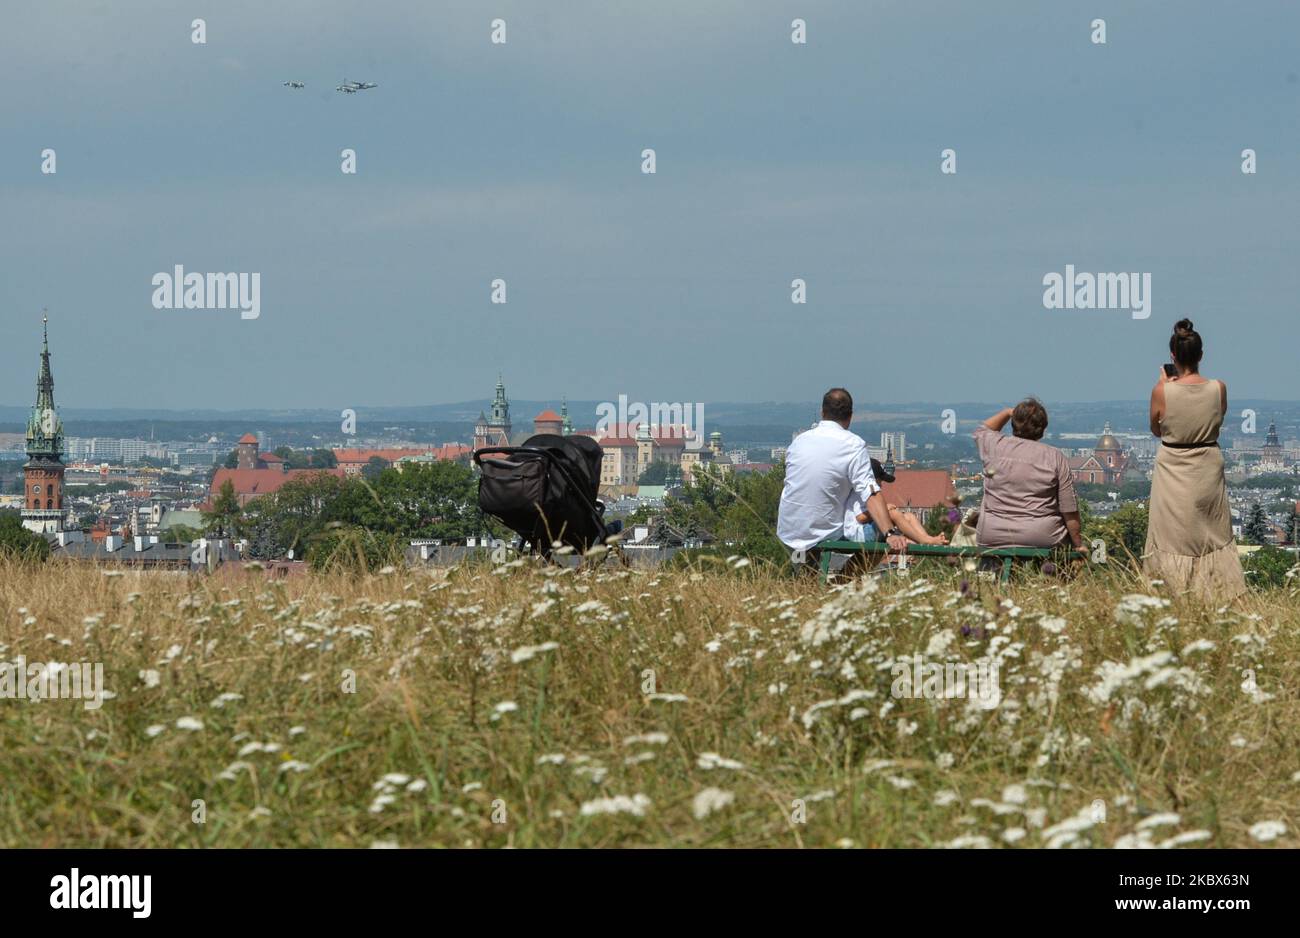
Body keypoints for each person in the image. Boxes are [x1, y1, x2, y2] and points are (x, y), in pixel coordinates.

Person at [777, 388, 946, 560]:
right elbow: (870, 493)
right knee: (878, 541)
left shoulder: (799, 442)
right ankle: (844, 582)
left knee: (809, 576)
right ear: (850, 416)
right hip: (823, 535)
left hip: (788, 533)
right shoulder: (852, 445)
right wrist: (889, 533)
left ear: (822, 412)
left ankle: (828, 582)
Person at [1144, 319, 1245, 600]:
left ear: (1173, 356)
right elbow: (1218, 416)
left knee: (1170, 535)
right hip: (1207, 464)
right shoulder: (1218, 388)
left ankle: (1169, 592)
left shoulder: (1161, 391)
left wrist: (1165, 386)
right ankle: (1220, 592)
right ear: (1201, 355)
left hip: (1173, 464)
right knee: (1212, 532)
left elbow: (1155, 428)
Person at [973, 398, 1084, 550]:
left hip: (993, 534)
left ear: (1013, 423)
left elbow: (982, 430)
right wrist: (1078, 545)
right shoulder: (1055, 457)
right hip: (1041, 535)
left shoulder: (994, 446)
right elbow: (1069, 509)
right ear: (1043, 429)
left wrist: (1007, 412)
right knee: (1063, 553)